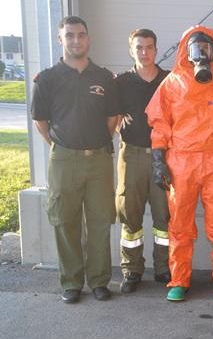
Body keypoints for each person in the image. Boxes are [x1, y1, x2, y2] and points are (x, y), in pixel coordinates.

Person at [146, 25, 213, 302]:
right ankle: (179, 279)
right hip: (181, 163)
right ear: (185, 52)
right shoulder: (172, 84)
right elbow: (160, 124)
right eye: (196, 48)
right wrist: (158, 159)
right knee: (180, 225)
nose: (201, 53)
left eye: (206, 48)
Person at [31, 16, 120, 303]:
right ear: (60, 39)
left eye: (81, 34)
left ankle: (99, 281)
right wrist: (62, 147)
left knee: (100, 221)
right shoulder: (47, 79)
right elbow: (41, 122)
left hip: (99, 161)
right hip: (63, 160)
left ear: (88, 38)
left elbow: (113, 119)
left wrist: (92, 143)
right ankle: (71, 282)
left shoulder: (104, 78)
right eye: (69, 35)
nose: (76, 40)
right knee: (65, 220)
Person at [115, 28, 171, 293]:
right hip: (132, 155)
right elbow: (111, 115)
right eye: (139, 47)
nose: (144, 52)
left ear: (156, 50)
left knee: (164, 217)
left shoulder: (169, 80)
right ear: (131, 50)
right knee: (130, 215)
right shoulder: (121, 82)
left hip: (164, 157)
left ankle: (164, 268)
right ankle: (132, 270)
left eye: (149, 47)